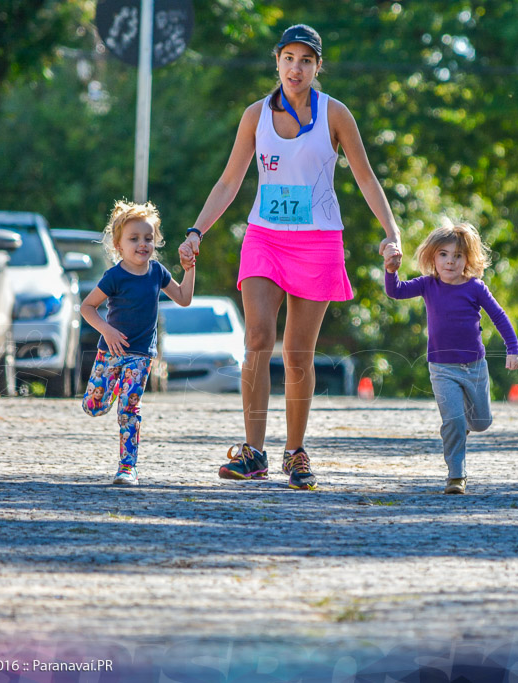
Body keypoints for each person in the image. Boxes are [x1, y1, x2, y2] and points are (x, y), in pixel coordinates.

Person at [178, 24, 403, 490]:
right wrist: (197, 229)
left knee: (299, 355)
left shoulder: (335, 115)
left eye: (306, 60)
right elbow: (229, 181)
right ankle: (253, 452)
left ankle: (295, 452)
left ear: (318, 67)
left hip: (318, 242)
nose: (295, 68)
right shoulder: (254, 116)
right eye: (288, 58)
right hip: (264, 238)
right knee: (258, 337)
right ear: (276, 61)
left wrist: (391, 234)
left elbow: (366, 178)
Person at [384, 222, 518, 495]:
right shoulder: (427, 285)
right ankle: (456, 475)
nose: (450, 262)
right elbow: (396, 291)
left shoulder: (475, 288)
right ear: (433, 257)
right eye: (444, 255)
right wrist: (391, 270)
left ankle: (459, 429)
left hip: (474, 368)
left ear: (468, 260)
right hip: (441, 368)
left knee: (481, 423)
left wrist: (513, 349)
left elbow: (499, 316)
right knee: (454, 421)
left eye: (458, 256)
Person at [80, 201, 195, 486]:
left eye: (148, 238)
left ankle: (127, 468)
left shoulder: (157, 272)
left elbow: (183, 298)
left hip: (141, 356)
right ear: (118, 244)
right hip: (110, 352)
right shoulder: (114, 276)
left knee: (129, 410)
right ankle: (116, 388)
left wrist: (189, 268)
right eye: (134, 239)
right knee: (93, 406)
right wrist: (107, 331)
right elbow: (87, 307)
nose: (142, 244)